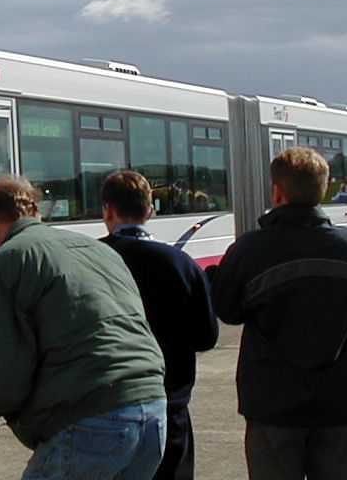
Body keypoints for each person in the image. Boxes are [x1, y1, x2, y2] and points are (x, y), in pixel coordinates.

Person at [0, 176, 168, 480]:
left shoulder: (5, 262)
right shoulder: (99, 250)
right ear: (36, 213)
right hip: (153, 410)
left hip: (91, 419)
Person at [212, 148, 347, 480]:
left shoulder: (248, 249)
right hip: (341, 397)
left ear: (278, 192)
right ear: (325, 189)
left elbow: (227, 311)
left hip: (271, 401)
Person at [99, 171, 219, 480]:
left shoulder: (90, 259)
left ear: (107, 211)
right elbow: (206, 337)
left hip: (100, 406)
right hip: (167, 404)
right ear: (150, 211)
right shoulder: (180, 264)